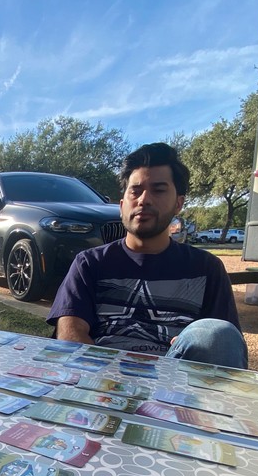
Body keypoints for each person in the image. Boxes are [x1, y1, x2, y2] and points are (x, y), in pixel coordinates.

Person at [48, 143, 247, 368]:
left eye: (158, 190)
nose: (144, 200)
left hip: (174, 383)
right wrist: (111, 382)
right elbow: (69, 334)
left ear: (178, 203)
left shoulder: (206, 268)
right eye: (135, 191)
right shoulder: (90, 263)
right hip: (104, 379)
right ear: (122, 205)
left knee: (217, 335)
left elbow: (223, 345)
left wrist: (198, 342)